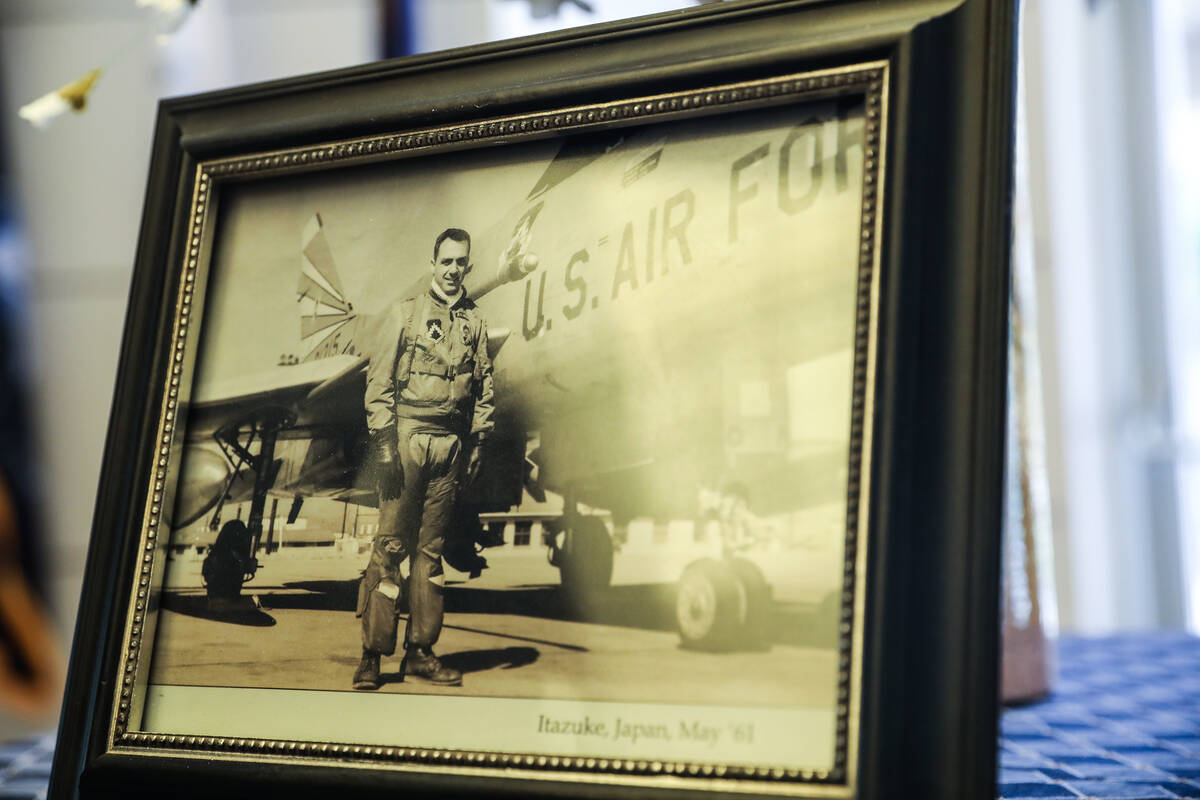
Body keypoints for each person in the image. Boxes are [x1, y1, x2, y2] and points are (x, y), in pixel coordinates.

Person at [354, 227, 494, 691]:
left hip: (450, 446)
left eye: (461, 263)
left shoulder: (475, 323)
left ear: (467, 267)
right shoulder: (406, 315)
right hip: (409, 440)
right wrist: (384, 445)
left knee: (430, 556)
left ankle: (420, 651)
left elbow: (484, 388)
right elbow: (379, 384)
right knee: (390, 548)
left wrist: (477, 441)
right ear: (433, 264)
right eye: (447, 261)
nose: (454, 270)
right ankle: (372, 656)